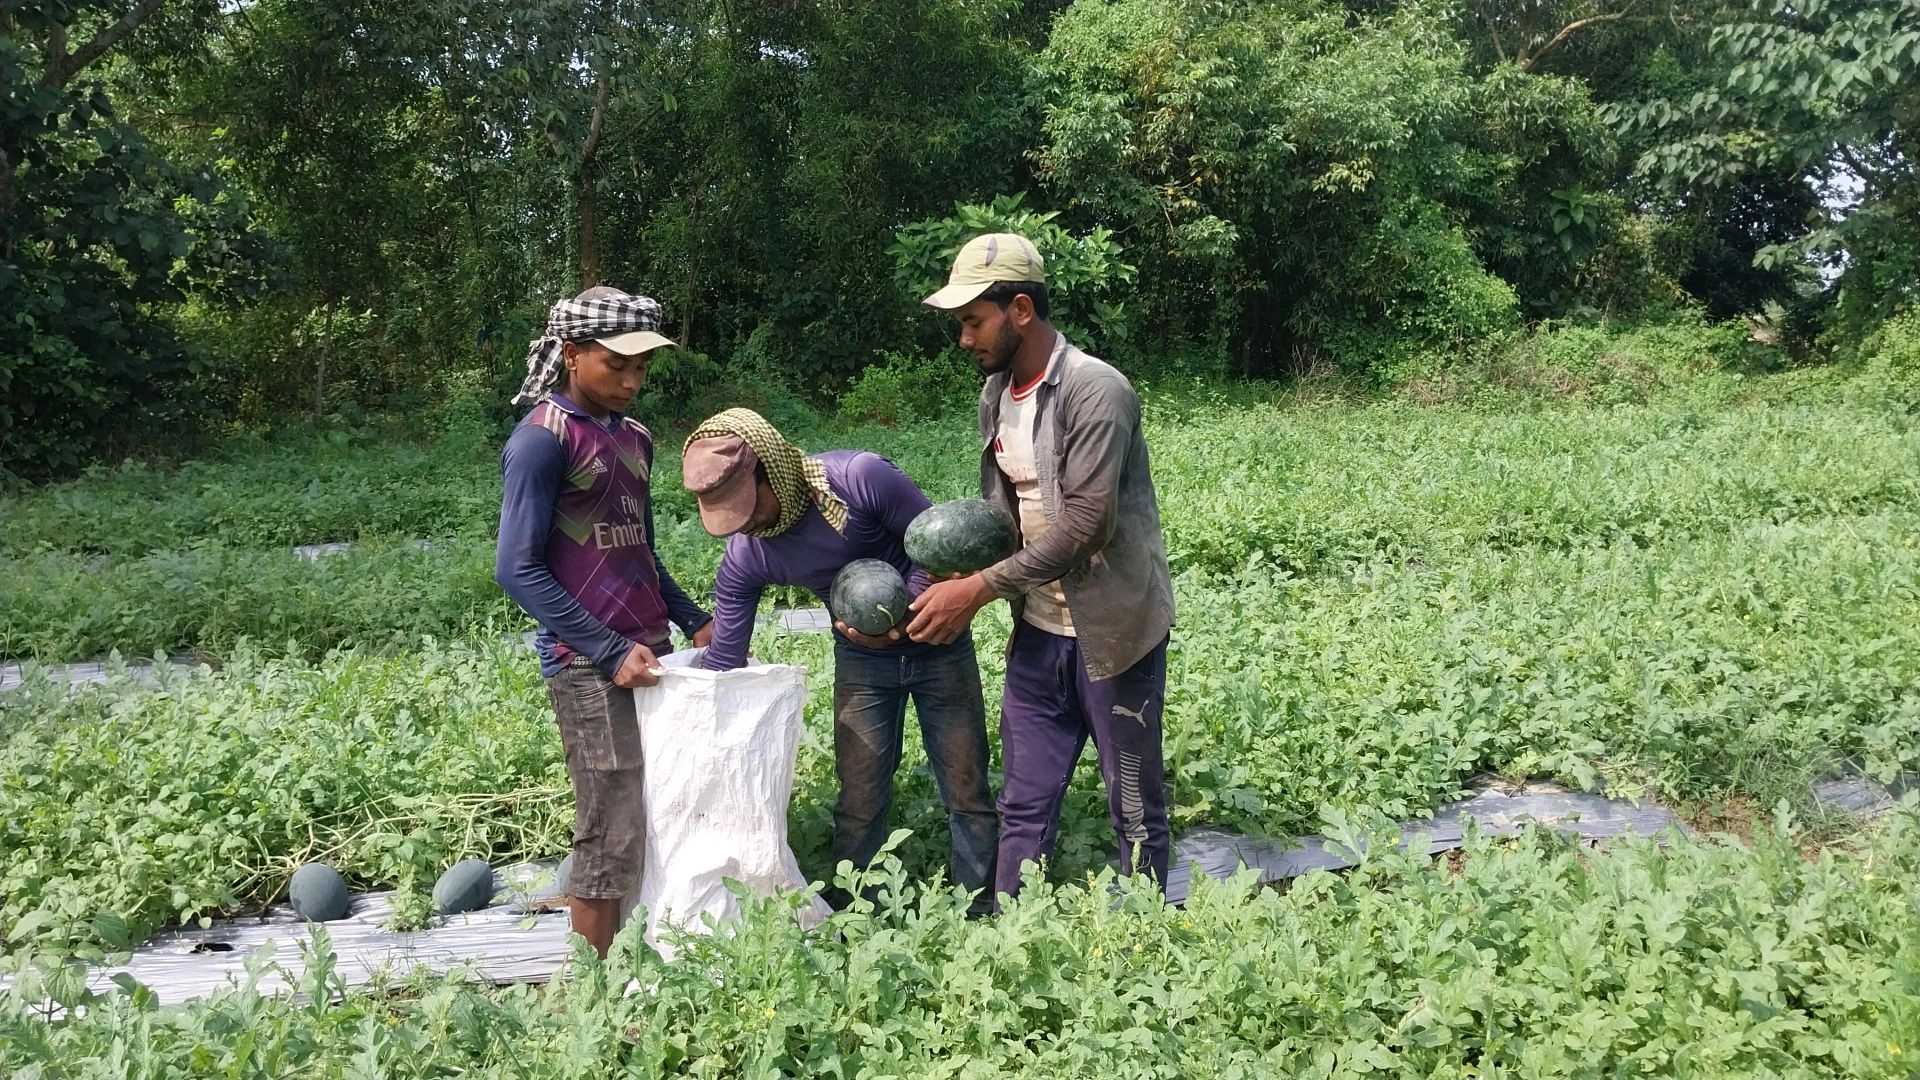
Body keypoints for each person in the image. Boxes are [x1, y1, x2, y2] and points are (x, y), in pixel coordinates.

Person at [906, 233, 1176, 906]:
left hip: (1115, 636)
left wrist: (981, 587)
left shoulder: (1095, 391)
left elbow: (1087, 527)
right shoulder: (996, 396)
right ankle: (1009, 939)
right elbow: (1007, 515)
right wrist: (955, 573)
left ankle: (1141, 947)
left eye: (974, 321)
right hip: (1038, 634)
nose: (964, 339)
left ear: (1020, 309)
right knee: (1023, 805)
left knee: (1136, 809)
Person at [682, 407, 997, 915]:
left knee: (967, 787)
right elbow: (726, 658)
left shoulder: (858, 480)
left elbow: (936, 547)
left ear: (772, 467)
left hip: (940, 643)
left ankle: (981, 908)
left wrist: (902, 615)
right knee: (859, 797)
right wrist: (674, 692)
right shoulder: (749, 554)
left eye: (748, 506)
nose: (750, 525)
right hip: (862, 663)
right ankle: (857, 911)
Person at [493, 285, 713, 958]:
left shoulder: (636, 438)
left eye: (642, 367)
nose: (631, 379)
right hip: (586, 663)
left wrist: (694, 619)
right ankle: (591, 992)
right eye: (617, 364)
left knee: (658, 811)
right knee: (610, 827)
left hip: (650, 654)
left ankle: (641, 957)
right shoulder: (542, 441)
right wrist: (607, 646)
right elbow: (517, 568)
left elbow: (639, 548)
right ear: (571, 354)